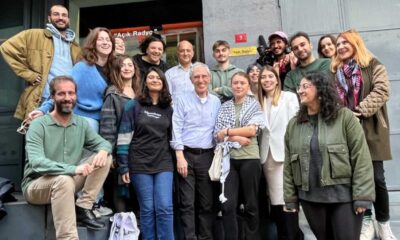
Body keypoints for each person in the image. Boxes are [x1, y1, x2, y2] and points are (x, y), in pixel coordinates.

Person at [284, 72, 375, 240]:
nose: (300, 91)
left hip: (344, 197)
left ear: (320, 89)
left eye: (305, 86)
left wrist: (362, 196)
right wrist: (290, 198)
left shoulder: (344, 117)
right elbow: (289, 165)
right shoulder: (294, 125)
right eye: (299, 87)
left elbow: (361, 157)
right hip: (311, 199)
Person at [22, 76, 112, 239]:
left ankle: (83, 205)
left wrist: (103, 151)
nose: (67, 98)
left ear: (76, 96)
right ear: (52, 97)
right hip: (37, 185)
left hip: (69, 182)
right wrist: (73, 169)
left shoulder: (81, 124)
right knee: (64, 180)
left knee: (105, 157)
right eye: (62, 94)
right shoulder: (38, 125)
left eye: (71, 93)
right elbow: (36, 163)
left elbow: (104, 144)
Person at [332, 29, 396, 240]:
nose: (340, 46)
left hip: (371, 127)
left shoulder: (373, 65)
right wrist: (344, 116)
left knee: (377, 178)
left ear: (355, 44)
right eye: (338, 44)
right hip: (347, 131)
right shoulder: (334, 73)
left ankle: (383, 223)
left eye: (345, 43)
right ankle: (366, 220)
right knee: (357, 179)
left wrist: (358, 110)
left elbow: (382, 90)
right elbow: (330, 100)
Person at [117, 67, 174, 240]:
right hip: (139, 163)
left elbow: (173, 137)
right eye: (151, 77)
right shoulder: (133, 105)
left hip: (163, 162)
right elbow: (123, 137)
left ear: (163, 82)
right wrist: (123, 166)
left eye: (158, 77)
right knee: (147, 209)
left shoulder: (169, 109)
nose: (155, 79)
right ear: (145, 81)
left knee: (164, 207)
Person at [0, 4, 81, 120]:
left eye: (64, 15)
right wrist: (29, 74)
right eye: (56, 14)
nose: (60, 18)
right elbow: (7, 48)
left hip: (67, 101)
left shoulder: (75, 46)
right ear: (49, 18)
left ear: (68, 19)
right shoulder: (34, 35)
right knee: (38, 136)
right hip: (42, 99)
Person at [171, 62, 221, 239]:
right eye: (197, 77)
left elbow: (218, 129)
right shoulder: (182, 99)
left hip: (207, 156)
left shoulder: (216, 102)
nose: (201, 80)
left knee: (207, 203)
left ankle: (205, 237)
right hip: (186, 156)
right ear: (191, 80)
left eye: (204, 76)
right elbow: (176, 127)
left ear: (209, 78)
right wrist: (179, 155)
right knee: (187, 203)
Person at [33, 27, 115, 132]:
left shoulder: (115, 68)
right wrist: (43, 109)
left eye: (108, 40)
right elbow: (62, 89)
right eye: (100, 39)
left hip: (109, 120)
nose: (105, 43)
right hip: (86, 119)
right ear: (93, 44)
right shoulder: (82, 67)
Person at [215, 72, 266, 239]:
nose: (238, 86)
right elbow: (217, 134)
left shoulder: (254, 105)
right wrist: (236, 136)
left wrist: (228, 132)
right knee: (228, 205)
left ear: (248, 86)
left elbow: (252, 130)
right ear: (231, 86)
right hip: (229, 160)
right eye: (235, 83)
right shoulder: (224, 106)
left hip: (250, 159)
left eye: (242, 83)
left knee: (251, 205)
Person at [257, 65, 302, 239]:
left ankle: (292, 235)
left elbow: (296, 124)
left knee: (287, 200)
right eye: (263, 77)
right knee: (276, 201)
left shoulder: (289, 98)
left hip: (285, 154)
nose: (267, 80)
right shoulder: (258, 102)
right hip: (267, 157)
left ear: (277, 79)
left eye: (270, 76)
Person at [100, 54, 141, 212]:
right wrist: (110, 153)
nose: (127, 68)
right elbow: (107, 125)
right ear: (117, 69)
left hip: (139, 152)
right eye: (123, 65)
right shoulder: (113, 93)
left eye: (130, 65)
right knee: (122, 199)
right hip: (121, 152)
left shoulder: (140, 93)